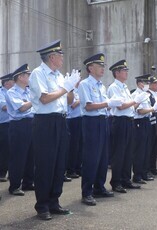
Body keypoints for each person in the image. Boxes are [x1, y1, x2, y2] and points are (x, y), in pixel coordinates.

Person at [29, 40, 80, 220]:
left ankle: (54, 201)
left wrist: (70, 88)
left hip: (61, 120)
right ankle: (42, 205)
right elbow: (44, 98)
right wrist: (65, 88)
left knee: (59, 164)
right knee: (45, 165)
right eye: (60, 55)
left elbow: (68, 101)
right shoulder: (38, 73)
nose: (62, 58)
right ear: (52, 57)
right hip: (45, 122)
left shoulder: (59, 76)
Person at [78, 53, 121, 206]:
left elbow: (104, 105)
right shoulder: (85, 84)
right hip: (91, 122)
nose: (103, 68)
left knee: (103, 156)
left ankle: (99, 187)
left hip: (103, 121)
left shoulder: (101, 86)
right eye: (99, 66)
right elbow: (88, 106)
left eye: (103, 66)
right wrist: (107, 103)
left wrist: (108, 104)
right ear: (90, 68)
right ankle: (87, 192)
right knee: (91, 157)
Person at [107, 59, 148, 193]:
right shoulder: (114, 87)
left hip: (129, 120)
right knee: (119, 153)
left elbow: (131, 106)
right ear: (117, 73)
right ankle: (116, 182)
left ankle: (126, 179)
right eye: (124, 70)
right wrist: (135, 101)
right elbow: (120, 106)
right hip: (119, 121)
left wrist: (139, 100)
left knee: (128, 152)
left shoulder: (124, 87)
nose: (126, 73)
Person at [131, 74, 157, 184]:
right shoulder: (136, 94)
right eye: (144, 83)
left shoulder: (145, 94)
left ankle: (144, 173)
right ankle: (137, 175)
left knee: (146, 150)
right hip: (139, 122)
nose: (146, 85)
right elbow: (140, 111)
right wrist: (153, 109)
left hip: (146, 121)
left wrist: (154, 109)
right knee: (140, 151)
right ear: (138, 83)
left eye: (147, 83)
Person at [5, 64, 34, 196]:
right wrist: (35, 99)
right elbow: (21, 108)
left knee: (30, 155)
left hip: (31, 123)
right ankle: (15, 185)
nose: (29, 77)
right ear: (20, 77)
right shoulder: (12, 92)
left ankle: (28, 182)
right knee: (18, 156)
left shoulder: (29, 91)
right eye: (27, 75)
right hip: (19, 125)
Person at [65, 78, 82, 179]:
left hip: (80, 118)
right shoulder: (70, 91)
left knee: (80, 146)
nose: (79, 81)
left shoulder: (79, 91)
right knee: (73, 146)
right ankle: (70, 170)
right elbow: (73, 105)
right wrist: (81, 100)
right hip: (72, 120)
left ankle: (77, 168)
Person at [0, 73, 14, 182]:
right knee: (4, 149)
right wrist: (18, 105)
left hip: (13, 123)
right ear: (6, 83)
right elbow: (4, 107)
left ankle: (11, 172)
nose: (14, 83)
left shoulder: (12, 92)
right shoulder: (1, 93)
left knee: (12, 149)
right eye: (12, 81)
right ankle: (2, 173)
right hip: (3, 124)